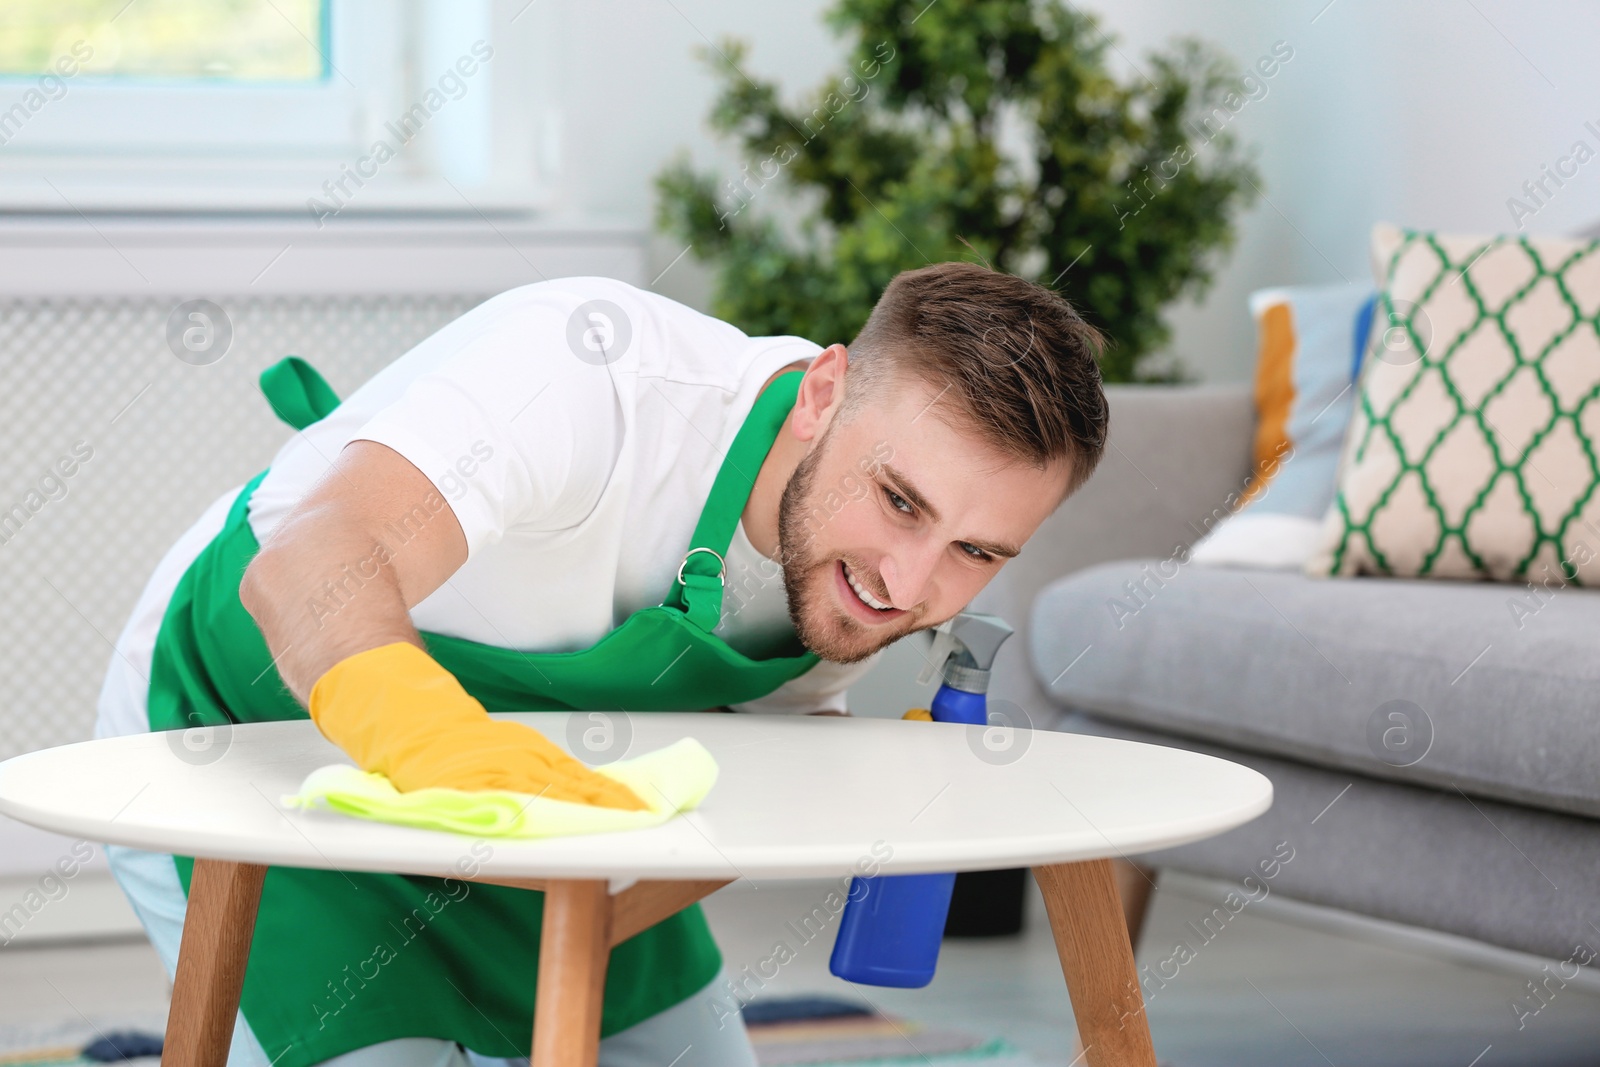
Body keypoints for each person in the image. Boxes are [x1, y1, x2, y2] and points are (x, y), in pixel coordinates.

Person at [94, 259, 1109, 1067]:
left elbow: (756, 764)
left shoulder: (836, 586)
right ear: (824, 389)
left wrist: (843, 796)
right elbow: (310, 566)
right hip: (261, 737)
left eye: (976, 552)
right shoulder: (590, 372)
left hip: (542, 801)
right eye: (898, 501)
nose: (908, 582)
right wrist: (434, 741)